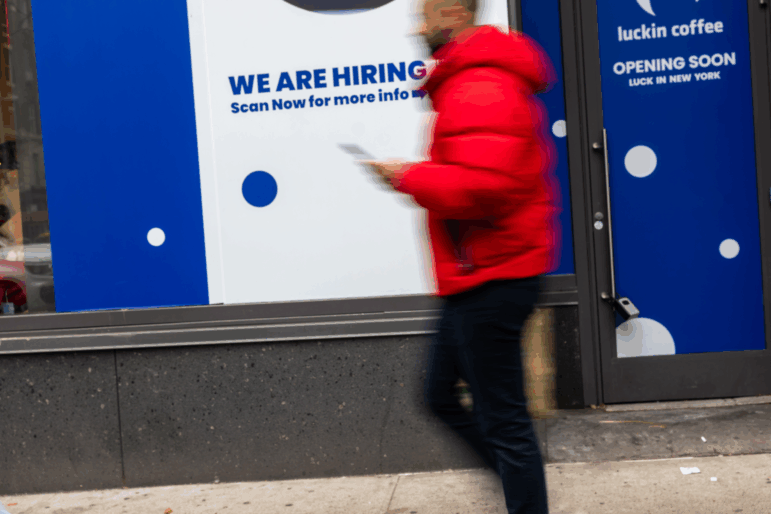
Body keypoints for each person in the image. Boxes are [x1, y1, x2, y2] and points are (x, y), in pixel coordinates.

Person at [363, 1, 560, 512]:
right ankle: (519, 486)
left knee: (505, 422)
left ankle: (524, 492)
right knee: (439, 396)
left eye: (423, 14)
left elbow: (484, 188)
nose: (416, 28)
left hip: (495, 274)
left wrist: (407, 176)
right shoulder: (465, 80)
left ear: (453, 12)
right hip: (475, 272)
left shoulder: (481, 83)